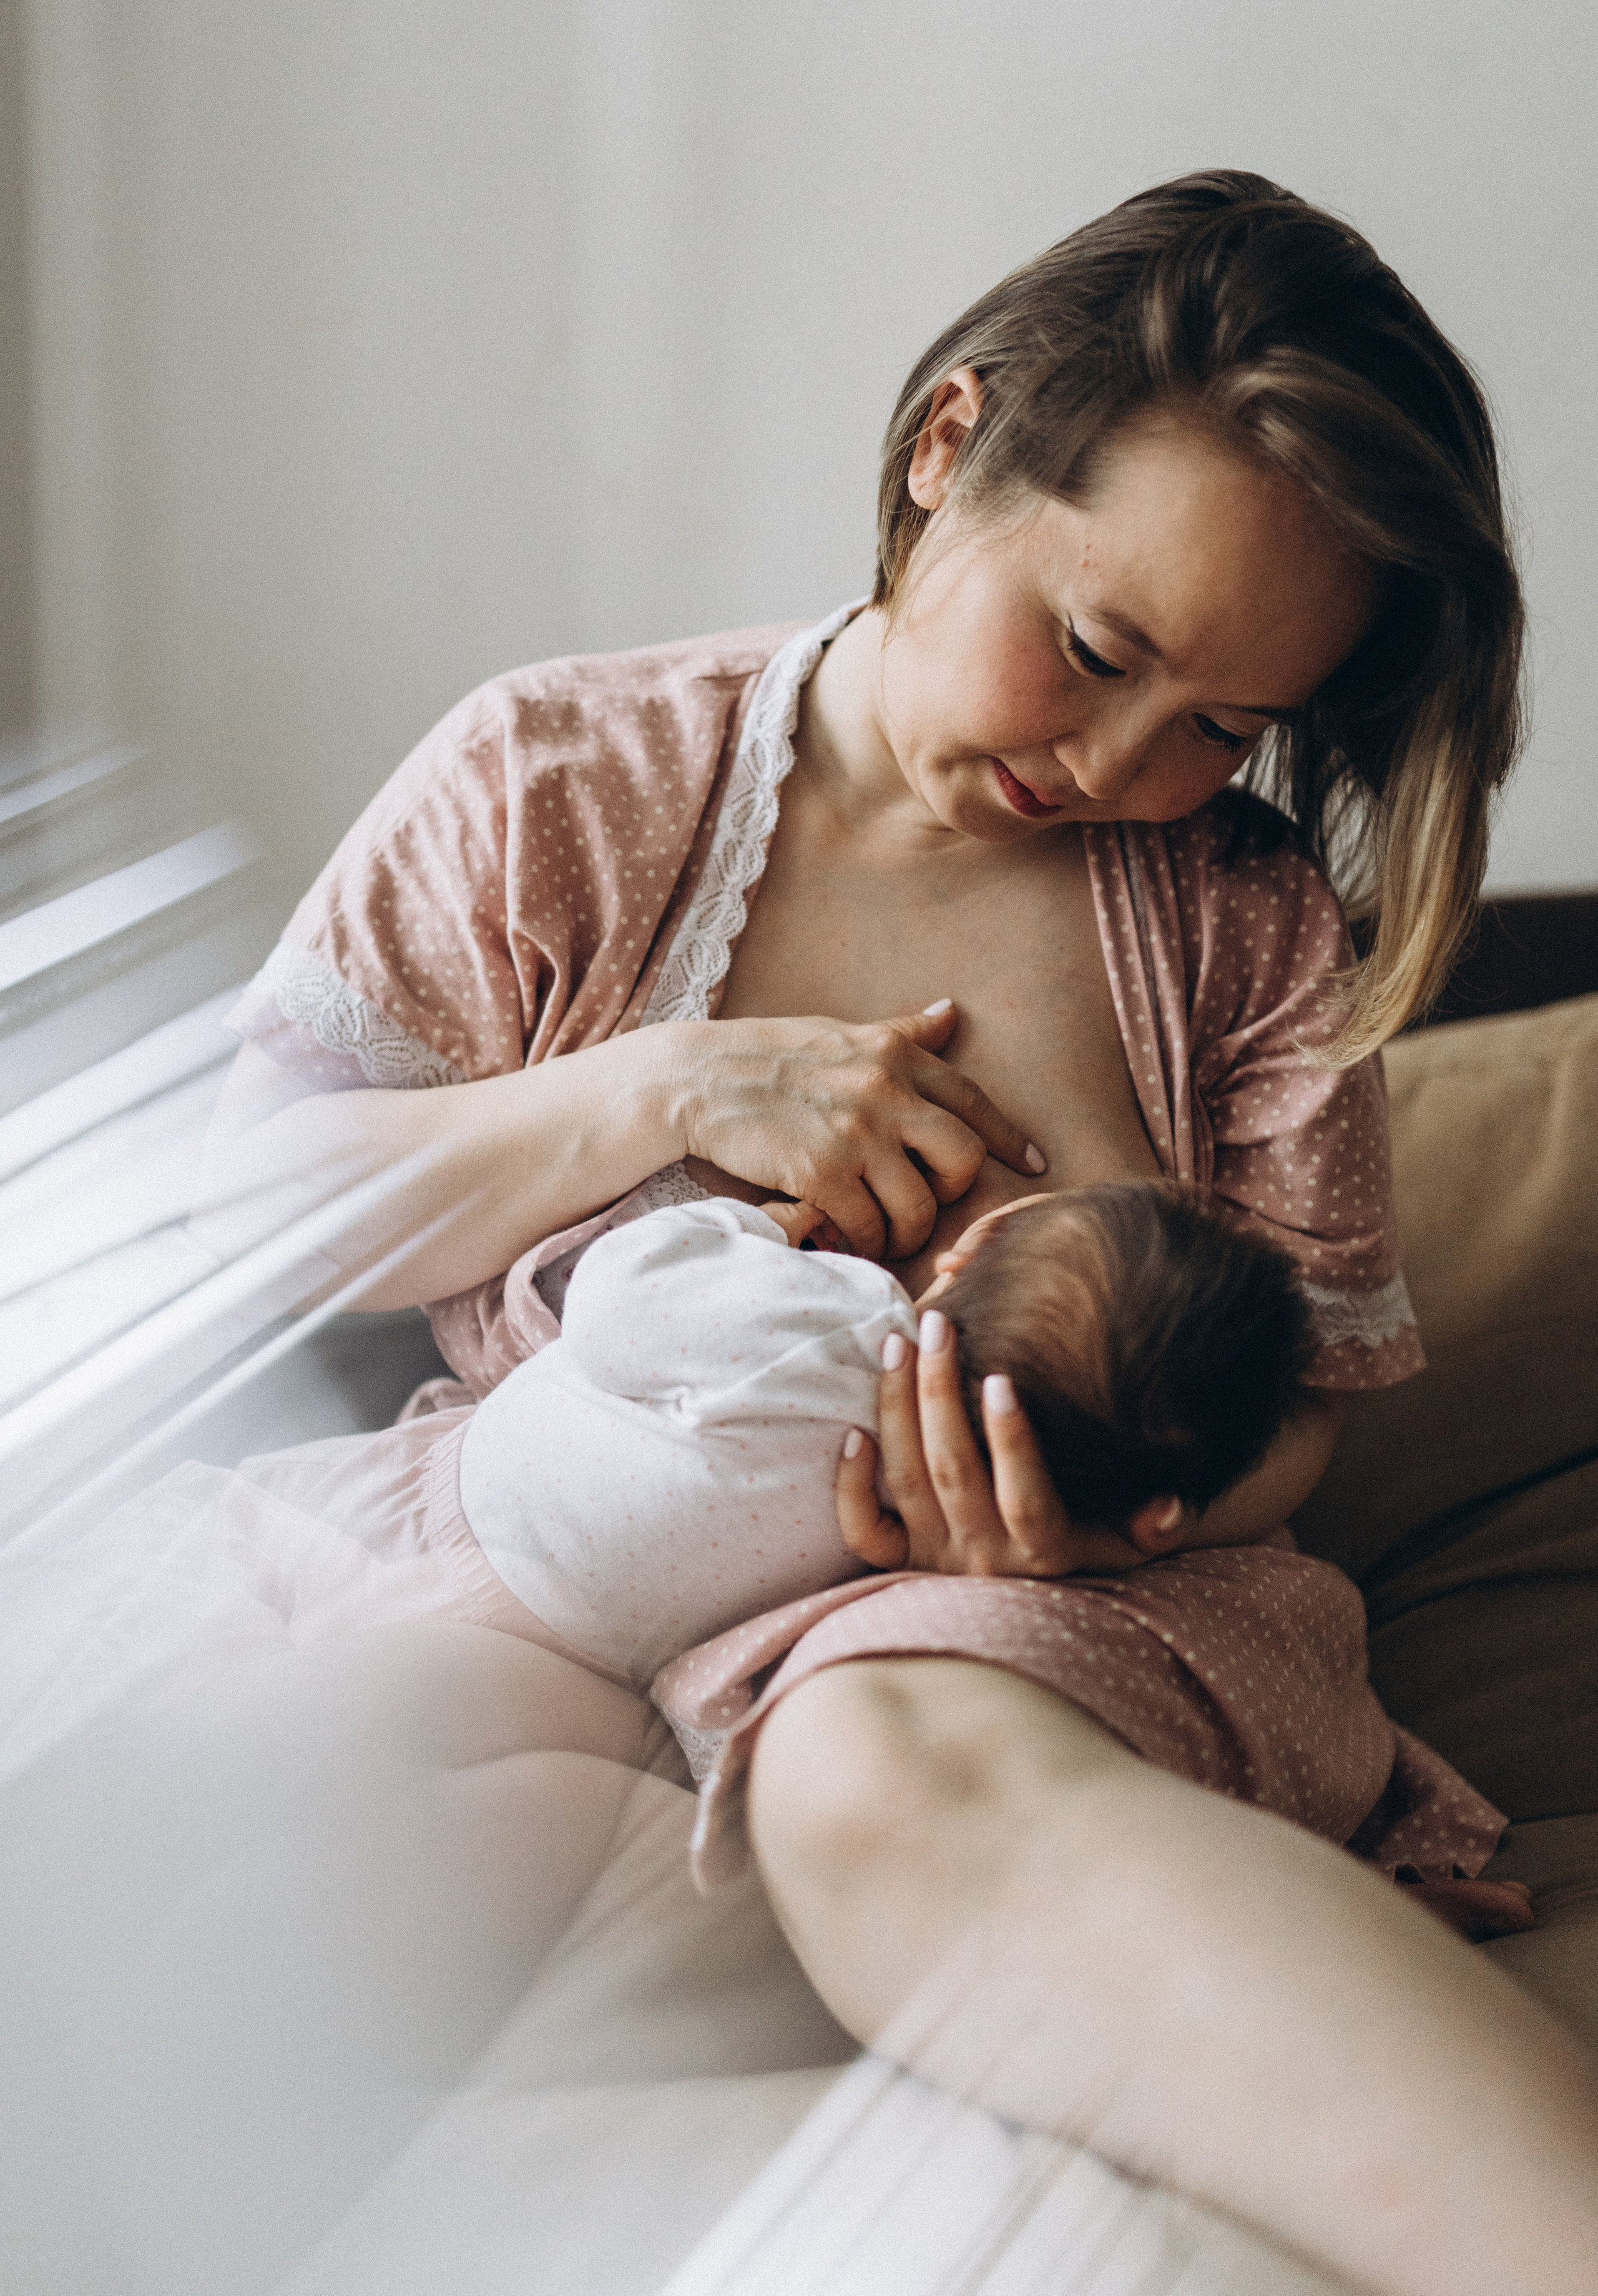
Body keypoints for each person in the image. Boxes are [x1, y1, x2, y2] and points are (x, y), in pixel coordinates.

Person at [199, 171, 1598, 2292]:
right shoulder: (560, 782)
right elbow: (249, 1221)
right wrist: (663, 1091)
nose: (1131, 764)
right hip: (567, 1590)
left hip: (1043, 1619)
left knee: (865, 1749)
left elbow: (1305, 1414)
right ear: (951, 447)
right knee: (282, 1795)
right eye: (1100, 649)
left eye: (1225, 722)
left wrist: (1090, 1506)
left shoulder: (1237, 919)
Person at [454, 1181, 1318, 1684]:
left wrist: (757, 1227)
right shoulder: (893, 1559)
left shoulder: (841, 1323)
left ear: (965, 1254)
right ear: (1155, 1518)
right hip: (605, 1672)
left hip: (469, 1512)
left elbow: (617, 1296)